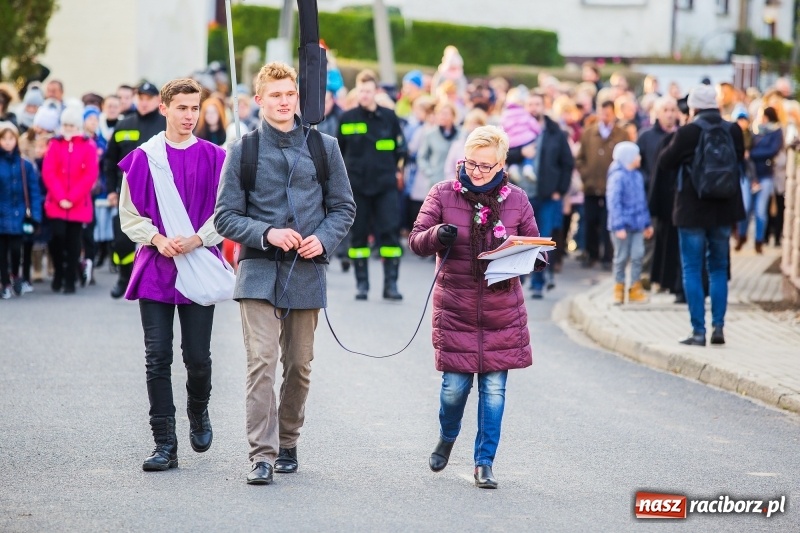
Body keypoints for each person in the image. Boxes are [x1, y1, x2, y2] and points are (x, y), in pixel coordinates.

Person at [214, 61, 355, 485]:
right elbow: (225, 217)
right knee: (261, 362)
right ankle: (261, 454)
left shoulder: (324, 146)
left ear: (298, 97)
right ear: (259, 100)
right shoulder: (243, 150)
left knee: (298, 366)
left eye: (289, 94)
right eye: (275, 95)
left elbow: (344, 208)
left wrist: (325, 239)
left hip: (307, 272)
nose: (283, 101)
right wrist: (267, 233)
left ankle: (289, 440)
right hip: (257, 272)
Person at [408, 125, 544, 489]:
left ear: (502, 165)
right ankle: (448, 434)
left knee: (494, 393)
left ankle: (484, 462)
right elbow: (416, 240)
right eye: (471, 163)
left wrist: (530, 257)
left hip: (502, 310)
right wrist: (438, 235)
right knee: (453, 390)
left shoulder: (517, 198)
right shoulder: (442, 193)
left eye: (486, 166)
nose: (477, 172)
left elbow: (534, 243)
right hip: (456, 308)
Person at [118, 78, 227, 471]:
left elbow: (226, 212)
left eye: (195, 107)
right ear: (164, 108)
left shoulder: (217, 157)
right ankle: (164, 442)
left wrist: (200, 238)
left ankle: (198, 410)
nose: (190, 115)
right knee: (157, 357)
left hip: (198, 262)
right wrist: (155, 238)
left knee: (197, 358)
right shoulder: (144, 158)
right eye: (182, 107)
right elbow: (129, 214)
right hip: (156, 266)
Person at [657, 84, 745, 346]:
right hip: (724, 208)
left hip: (691, 210)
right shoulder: (733, 130)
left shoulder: (688, 132)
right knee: (718, 267)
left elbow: (664, 162)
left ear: (693, 106)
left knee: (692, 269)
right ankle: (719, 327)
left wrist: (684, 130)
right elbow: (738, 160)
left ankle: (698, 331)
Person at [337, 69, 407, 301]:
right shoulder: (347, 119)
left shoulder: (389, 117)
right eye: (361, 90)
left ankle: (391, 285)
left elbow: (401, 149)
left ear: (376, 92)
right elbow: (339, 153)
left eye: (368, 91)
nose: (364, 95)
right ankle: (362, 285)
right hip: (357, 187)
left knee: (390, 236)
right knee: (359, 237)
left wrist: (398, 170)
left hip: (385, 186)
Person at [104, 81, 166, 298]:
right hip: (128, 193)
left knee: (158, 238)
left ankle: (154, 281)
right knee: (122, 239)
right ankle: (124, 276)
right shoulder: (123, 125)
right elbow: (110, 161)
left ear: (157, 100)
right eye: (140, 97)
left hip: (159, 193)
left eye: (148, 98)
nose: (144, 102)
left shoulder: (165, 124)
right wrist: (111, 190)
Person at [509, 91, 574, 299]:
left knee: (541, 237)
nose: (534, 108)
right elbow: (503, 154)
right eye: (530, 104)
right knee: (519, 238)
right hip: (521, 194)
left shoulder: (555, 132)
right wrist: (521, 153)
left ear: (544, 106)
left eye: (537, 104)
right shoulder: (516, 129)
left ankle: (538, 281)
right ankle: (518, 279)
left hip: (547, 196)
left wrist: (560, 190)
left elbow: (567, 163)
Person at [42, 106, 98, 294]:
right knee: (56, 238)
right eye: (65, 124)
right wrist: (60, 197)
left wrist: (72, 198)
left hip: (78, 203)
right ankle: (59, 271)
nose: (68, 128)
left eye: (71, 125)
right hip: (57, 203)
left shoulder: (88, 145)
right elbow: (48, 172)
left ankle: (69, 278)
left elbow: (90, 175)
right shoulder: (55, 144)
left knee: (74, 242)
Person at [575, 100, 628, 269]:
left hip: (611, 188)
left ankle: (608, 257)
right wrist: (585, 174)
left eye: (608, 113)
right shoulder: (589, 133)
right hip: (591, 186)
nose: (605, 116)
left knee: (608, 223)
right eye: (602, 113)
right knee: (590, 221)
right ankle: (592, 254)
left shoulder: (621, 134)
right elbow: (580, 158)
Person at [637, 96, 678, 290]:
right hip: (651, 195)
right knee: (651, 237)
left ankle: (667, 279)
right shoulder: (646, 136)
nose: (670, 114)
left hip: (674, 196)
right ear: (658, 113)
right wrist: (648, 181)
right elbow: (638, 165)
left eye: (672, 110)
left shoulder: (681, 136)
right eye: (666, 110)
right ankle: (647, 276)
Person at [606, 142, 653, 304]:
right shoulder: (617, 177)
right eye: (637, 155)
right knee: (621, 257)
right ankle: (618, 288)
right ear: (628, 157)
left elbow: (642, 202)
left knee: (638, 255)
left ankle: (635, 288)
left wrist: (647, 224)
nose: (639, 158)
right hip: (622, 227)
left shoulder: (638, 176)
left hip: (638, 225)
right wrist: (618, 226)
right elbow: (614, 202)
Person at [0, 122, 42, 298]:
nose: (8, 142)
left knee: (17, 249)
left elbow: (34, 191)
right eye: (4, 138)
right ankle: (5, 283)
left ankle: (16, 275)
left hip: (19, 214)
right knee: (2, 252)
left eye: (11, 138)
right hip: (2, 213)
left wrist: (36, 215)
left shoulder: (25, 164)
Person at [736, 106, 783, 254]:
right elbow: (743, 150)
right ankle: (741, 236)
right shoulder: (753, 131)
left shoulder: (775, 131)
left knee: (760, 211)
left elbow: (772, 151)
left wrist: (752, 154)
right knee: (745, 207)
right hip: (749, 174)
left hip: (765, 175)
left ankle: (759, 240)